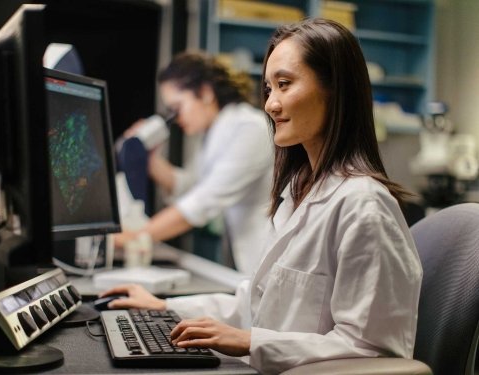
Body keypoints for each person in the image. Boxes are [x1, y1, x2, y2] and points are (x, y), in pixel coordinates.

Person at [101, 18, 423, 374]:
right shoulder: (299, 191)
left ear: (335, 88)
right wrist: (166, 309)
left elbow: (378, 354)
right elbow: (255, 301)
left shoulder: (364, 206)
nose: (270, 104)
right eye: (269, 89)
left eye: (284, 84)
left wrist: (251, 340)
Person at [117, 52, 274, 275]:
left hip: (268, 255)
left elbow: (203, 201)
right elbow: (190, 187)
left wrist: (134, 236)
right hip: (247, 257)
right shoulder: (214, 135)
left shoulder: (250, 128)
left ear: (205, 93)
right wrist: (149, 159)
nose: (176, 118)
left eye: (177, 107)